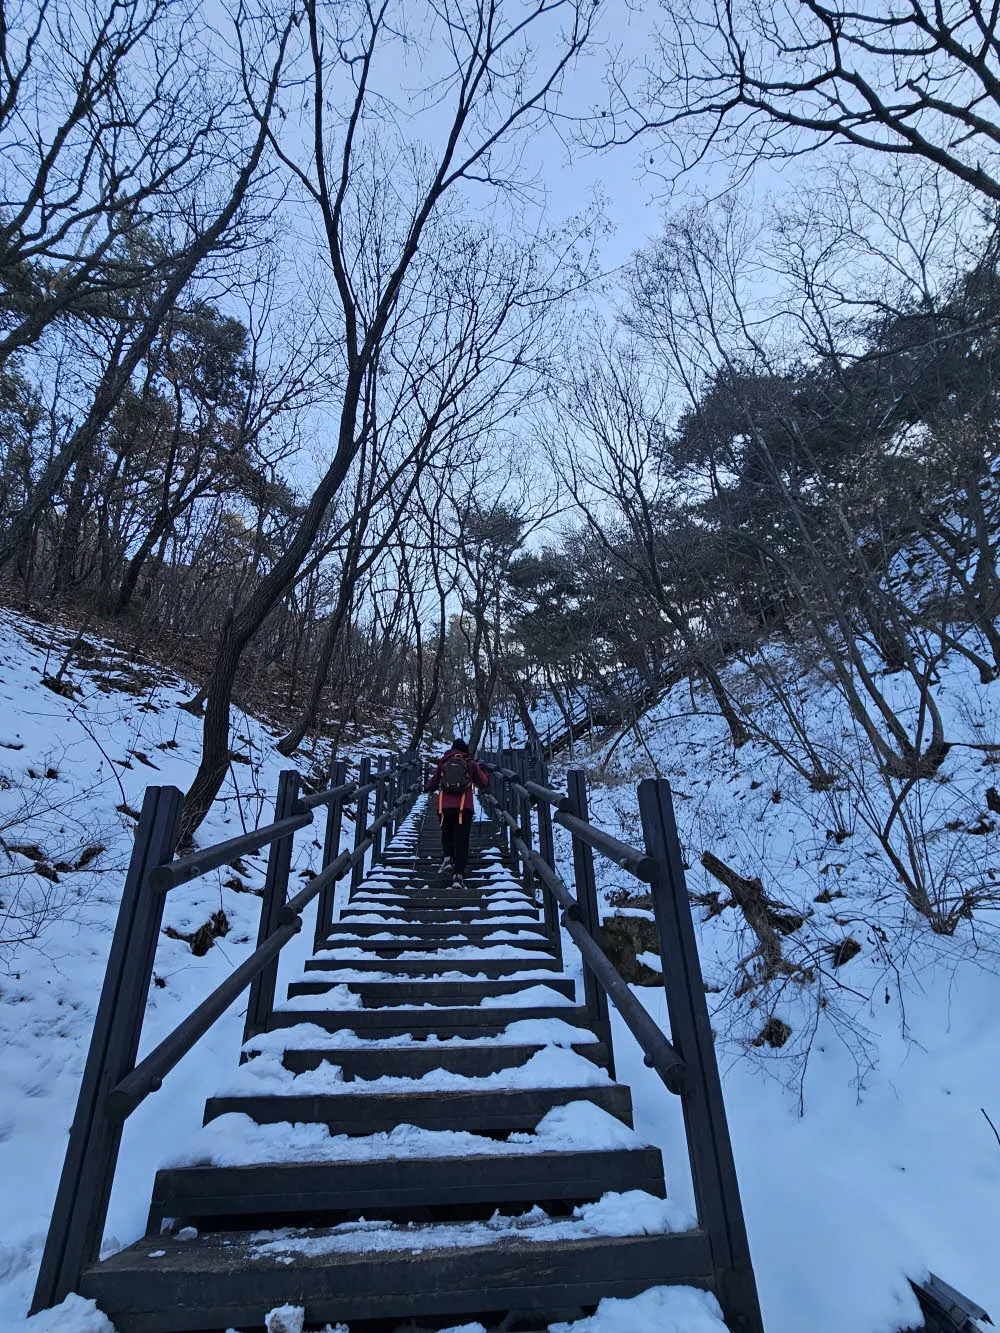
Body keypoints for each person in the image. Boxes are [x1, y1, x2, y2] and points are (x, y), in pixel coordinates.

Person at [425, 737, 490, 887]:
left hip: (444, 806)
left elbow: (433, 782)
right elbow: (483, 782)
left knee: (447, 833)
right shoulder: (470, 764)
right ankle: (458, 875)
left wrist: (426, 787)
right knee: (462, 839)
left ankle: (447, 857)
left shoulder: (444, 763)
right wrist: (486, 773)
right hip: (464, 807)